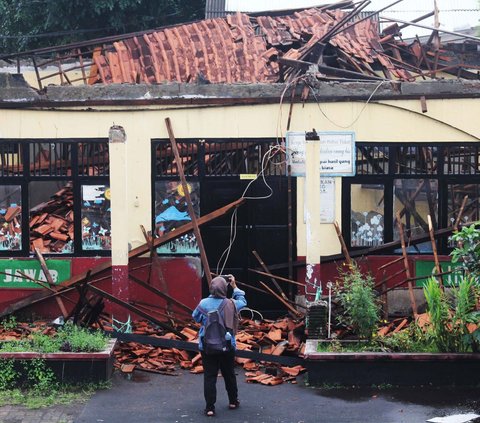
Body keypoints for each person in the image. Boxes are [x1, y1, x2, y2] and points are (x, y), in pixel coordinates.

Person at [192, 275, 247, 417]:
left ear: (211, 288)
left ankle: (210, 408)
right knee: (229, 374)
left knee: (210, 376)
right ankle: (233, 401)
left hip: (207, 346)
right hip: (227, 346)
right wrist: (234, 286)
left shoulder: (203, 303)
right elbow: (243, 301)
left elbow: (196, 317)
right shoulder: (231, 303)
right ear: (224, 288)